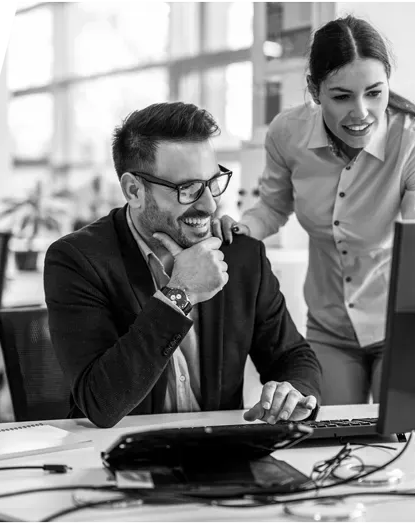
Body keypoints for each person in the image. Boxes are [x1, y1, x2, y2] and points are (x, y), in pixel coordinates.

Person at [214, 15, 415, 406]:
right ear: (314, 91)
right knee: (331, 440)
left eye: (375, 93)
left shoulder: (414, 144)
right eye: (342, 97)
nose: (361, 112)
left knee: (404, 442)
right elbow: (273, 208)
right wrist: (238, 230)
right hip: (328, 326)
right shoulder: (287, 134)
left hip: (401, 323)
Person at [44, 102, 322, 429]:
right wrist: (181, 293)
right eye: (187, 189)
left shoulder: (240, 254)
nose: (210, 204)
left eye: (212, 182)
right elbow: (101, 403)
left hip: (218, 456)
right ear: (134, 190)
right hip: (115, 453)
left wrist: (292, 391)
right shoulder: (77, 260)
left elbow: (294, 358)